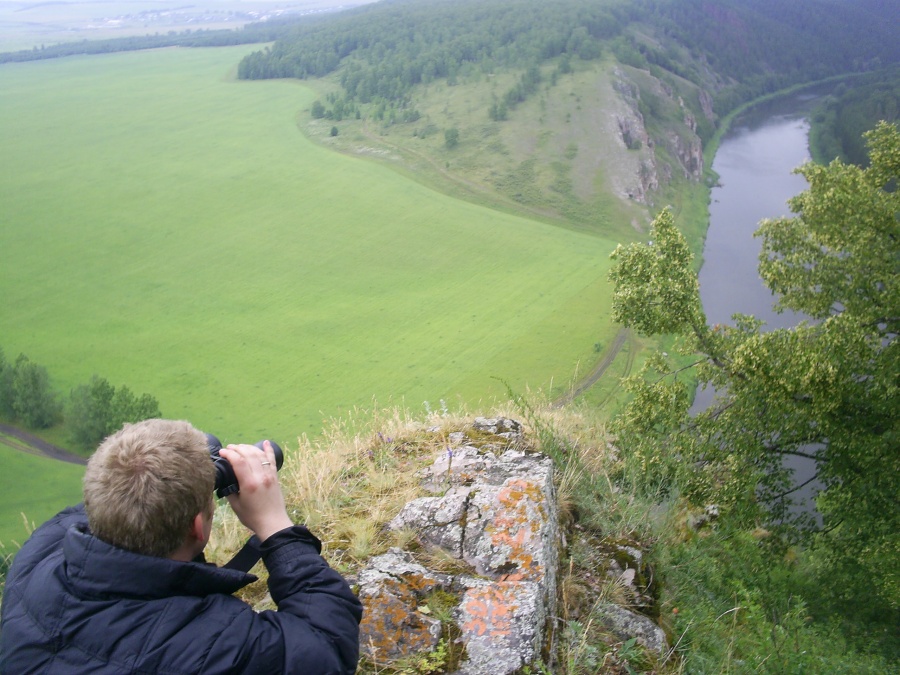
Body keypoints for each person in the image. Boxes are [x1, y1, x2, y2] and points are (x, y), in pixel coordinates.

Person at [0, 419, 362, 674]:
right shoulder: (213, 644)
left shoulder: (38, 556)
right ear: (198, 527)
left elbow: (112, 504)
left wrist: (175, 466)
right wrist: (275, 526)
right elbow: (327, 649)